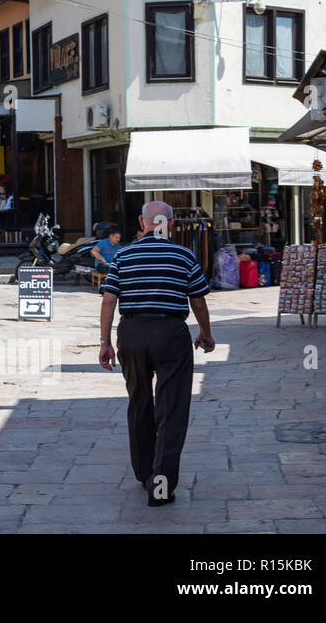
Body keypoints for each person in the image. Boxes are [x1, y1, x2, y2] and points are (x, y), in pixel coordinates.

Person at [98, 201, 215, 507]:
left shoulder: (123, 254)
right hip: (171, 334)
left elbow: (109, 299)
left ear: (142, 221)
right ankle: (160, 485)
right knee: (172, 409)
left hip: (132, 334)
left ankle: (143, 471)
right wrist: (206, 333)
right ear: (171, 223)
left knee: (139, 401)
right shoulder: (183, 255)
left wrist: (105, 342)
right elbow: (198, 301)